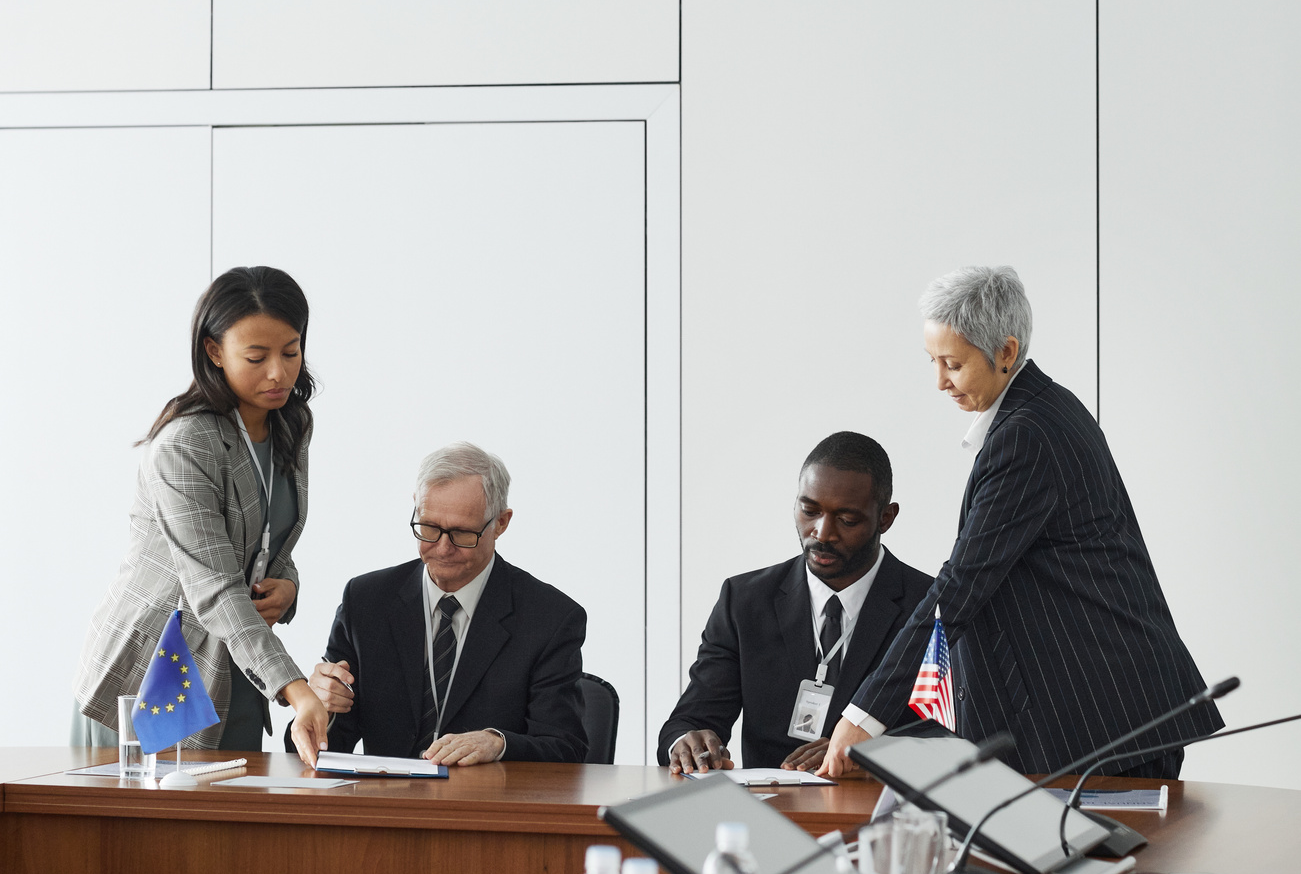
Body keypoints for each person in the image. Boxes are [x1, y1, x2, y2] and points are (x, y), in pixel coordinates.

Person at [819, 265, 1250, 874]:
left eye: (951, 363)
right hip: (1083, 713)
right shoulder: (1028, 416)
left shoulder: (1027, 433)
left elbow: (960, 587)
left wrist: (863, 710)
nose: (939, 382)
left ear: (1004, 350)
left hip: (1105, 721)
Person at [75, 266, 329, 769]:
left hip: (237, 666)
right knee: (139, 845)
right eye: (256, 357)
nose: (278, 372)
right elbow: (213, 585)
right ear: (214, 351)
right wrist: (296, 689)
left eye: (291, 351)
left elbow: (271, 543)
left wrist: (289, 585)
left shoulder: (291, 424)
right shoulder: (184, 446)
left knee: (225, 842)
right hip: (155, 676)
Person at [657, 431, 932, 774]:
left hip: (882, 814)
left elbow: (960, 736)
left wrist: (877, 751)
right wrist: (686, 741)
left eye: (847, 520)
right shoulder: (744, 601)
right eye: (809, 511)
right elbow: (692, 717)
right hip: (769, 812)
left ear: (885, 518)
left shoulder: (931, 606)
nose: (822, 532)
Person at [307, 442, 588, 764]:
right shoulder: (367, 600)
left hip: (486, 805)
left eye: (461, 533)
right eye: (428, 528)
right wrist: (319, 707)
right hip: (386, 803)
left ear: (501, 523)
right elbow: (320, 748)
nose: (441, 549)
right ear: (416, 507)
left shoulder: (549, 617)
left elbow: (567, 749)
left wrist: (499, 744)